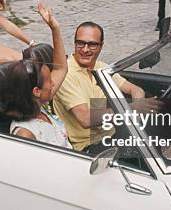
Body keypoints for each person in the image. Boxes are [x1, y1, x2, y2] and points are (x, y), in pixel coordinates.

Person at [52, 22, 159, 152]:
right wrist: (130, 109)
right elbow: (85, 118)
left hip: (112, 136)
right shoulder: (66, 73)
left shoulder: (101, 67)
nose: (85, 49)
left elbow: (135, 89)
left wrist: (138, 106)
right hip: (87, 148)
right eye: (80, 43)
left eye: (92, 45)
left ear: (101, 46)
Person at [6, 3, 71, 148]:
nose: (53, 84)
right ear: (36, 91)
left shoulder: (39, 104)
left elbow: (61, 69)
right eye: (49, 82)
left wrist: (55, 29)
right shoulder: (25, 134)